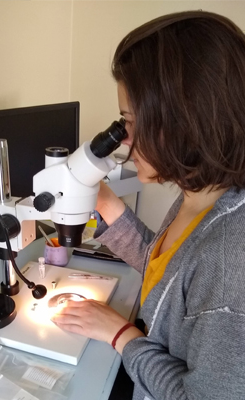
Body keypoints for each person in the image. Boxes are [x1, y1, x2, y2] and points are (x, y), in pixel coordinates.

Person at [51, 11, 245, 399]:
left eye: (129, 121)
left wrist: (122, 335)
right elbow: (173, 271)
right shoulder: (202, 196)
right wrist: (102, 201)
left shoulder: (229, 261)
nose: (122, 140)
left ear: (185, 121)